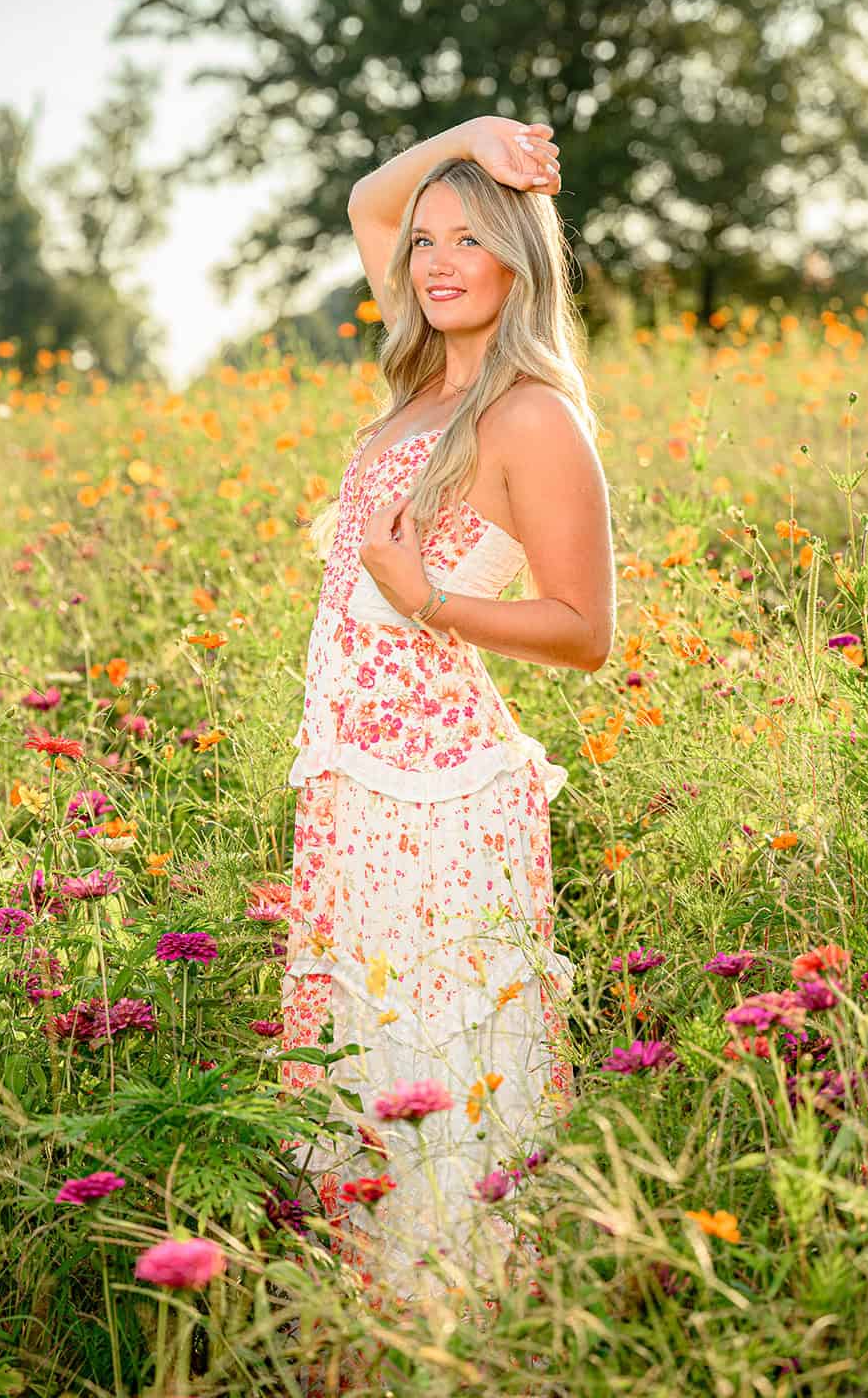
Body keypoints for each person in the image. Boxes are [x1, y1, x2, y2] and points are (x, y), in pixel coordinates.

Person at [276, 113, 616, 1325]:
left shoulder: (531, 414)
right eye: (427, 241)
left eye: (470, 237)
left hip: (444, 803)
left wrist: (429, 597)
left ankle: (462, 1331)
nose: (434, 259)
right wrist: (472, 135)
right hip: (352, 790)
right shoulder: (424, 380)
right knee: (358, 1057)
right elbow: (369, 200)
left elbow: (584, 628)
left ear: (520, 255)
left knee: (441, 1056)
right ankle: (368, 1334)